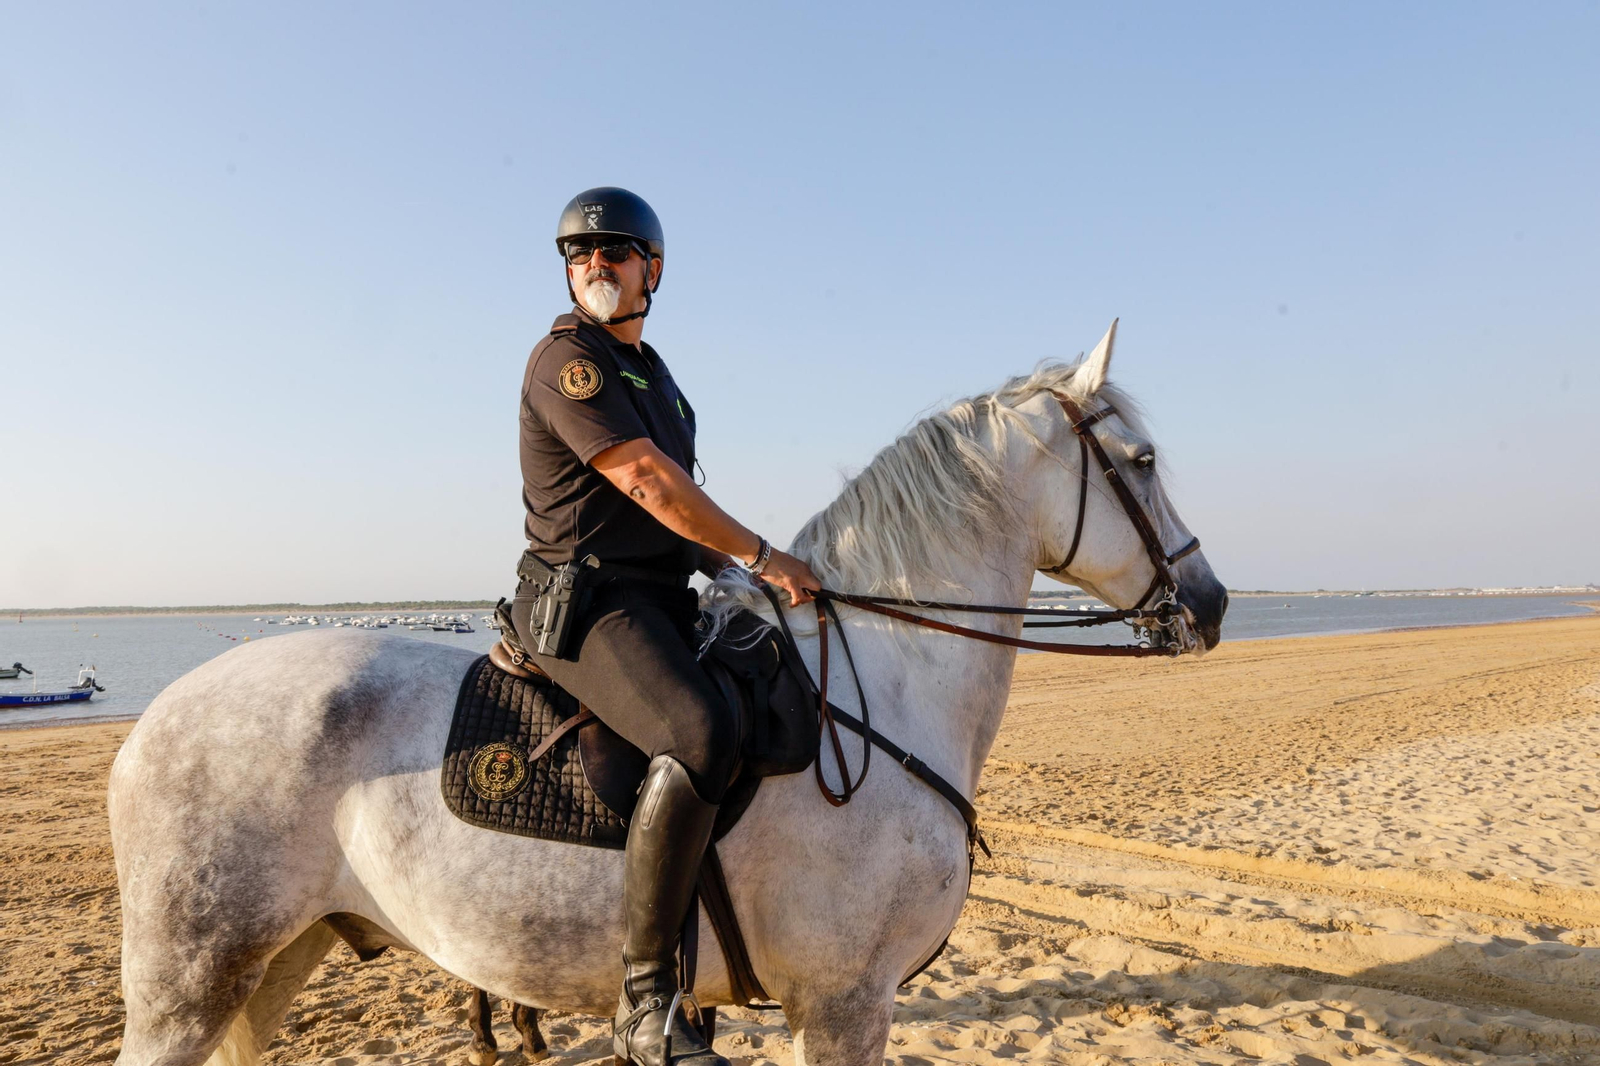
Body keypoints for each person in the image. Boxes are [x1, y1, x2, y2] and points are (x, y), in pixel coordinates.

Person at [510, 187, 821, 1066]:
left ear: (653, 268)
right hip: (585, 603)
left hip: (659, 595)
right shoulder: (566, 361)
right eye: (580, 254)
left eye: (615, 251)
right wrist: (762, 554)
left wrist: (744, 576)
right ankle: (645, 1001)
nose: (596, 265)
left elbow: (672, 518)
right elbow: (647, 483)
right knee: (698, 727)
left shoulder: (659, 378)